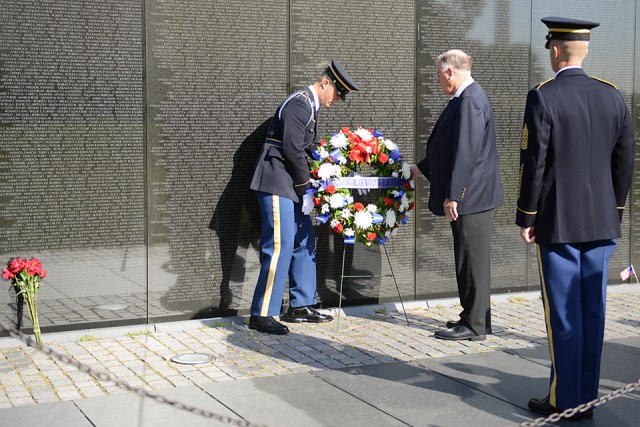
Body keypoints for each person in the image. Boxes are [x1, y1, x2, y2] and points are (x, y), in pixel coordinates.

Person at [516, 17, 634, 420]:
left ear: (554, 50)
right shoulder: (613, 95)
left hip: (559, 223)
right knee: (592, 313)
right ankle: (585, 395)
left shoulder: (543, 96)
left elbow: (534, 163)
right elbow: (625, 163)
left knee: (564, 314)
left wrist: (526, 215)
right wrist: (613, 211)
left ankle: (564, 401)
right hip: (603, 224)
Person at [248, 59, 359, 334]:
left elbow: (308, 146)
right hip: (277, 182)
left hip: (290, 184)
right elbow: (293, 150)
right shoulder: (300, 103)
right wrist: (305, 186)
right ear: (325, 83)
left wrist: (338, 154)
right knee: (279, 246)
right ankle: (262, 313)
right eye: (338, 93)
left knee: (303, 239)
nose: (339, 100)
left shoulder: (309, 105)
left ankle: (300, 305)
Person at [410, 49, 504, 341]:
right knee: (469, 257)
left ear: (449, 71)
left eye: (438, 76)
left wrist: (455, 195)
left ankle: (474, 326)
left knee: (470, 258)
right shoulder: (464, 99)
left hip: (471, 197)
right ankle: (475, 317)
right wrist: (420, 168)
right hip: (471, 195)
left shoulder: (470, 100)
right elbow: (448, 147)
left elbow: (466, 152)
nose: (438, 81)